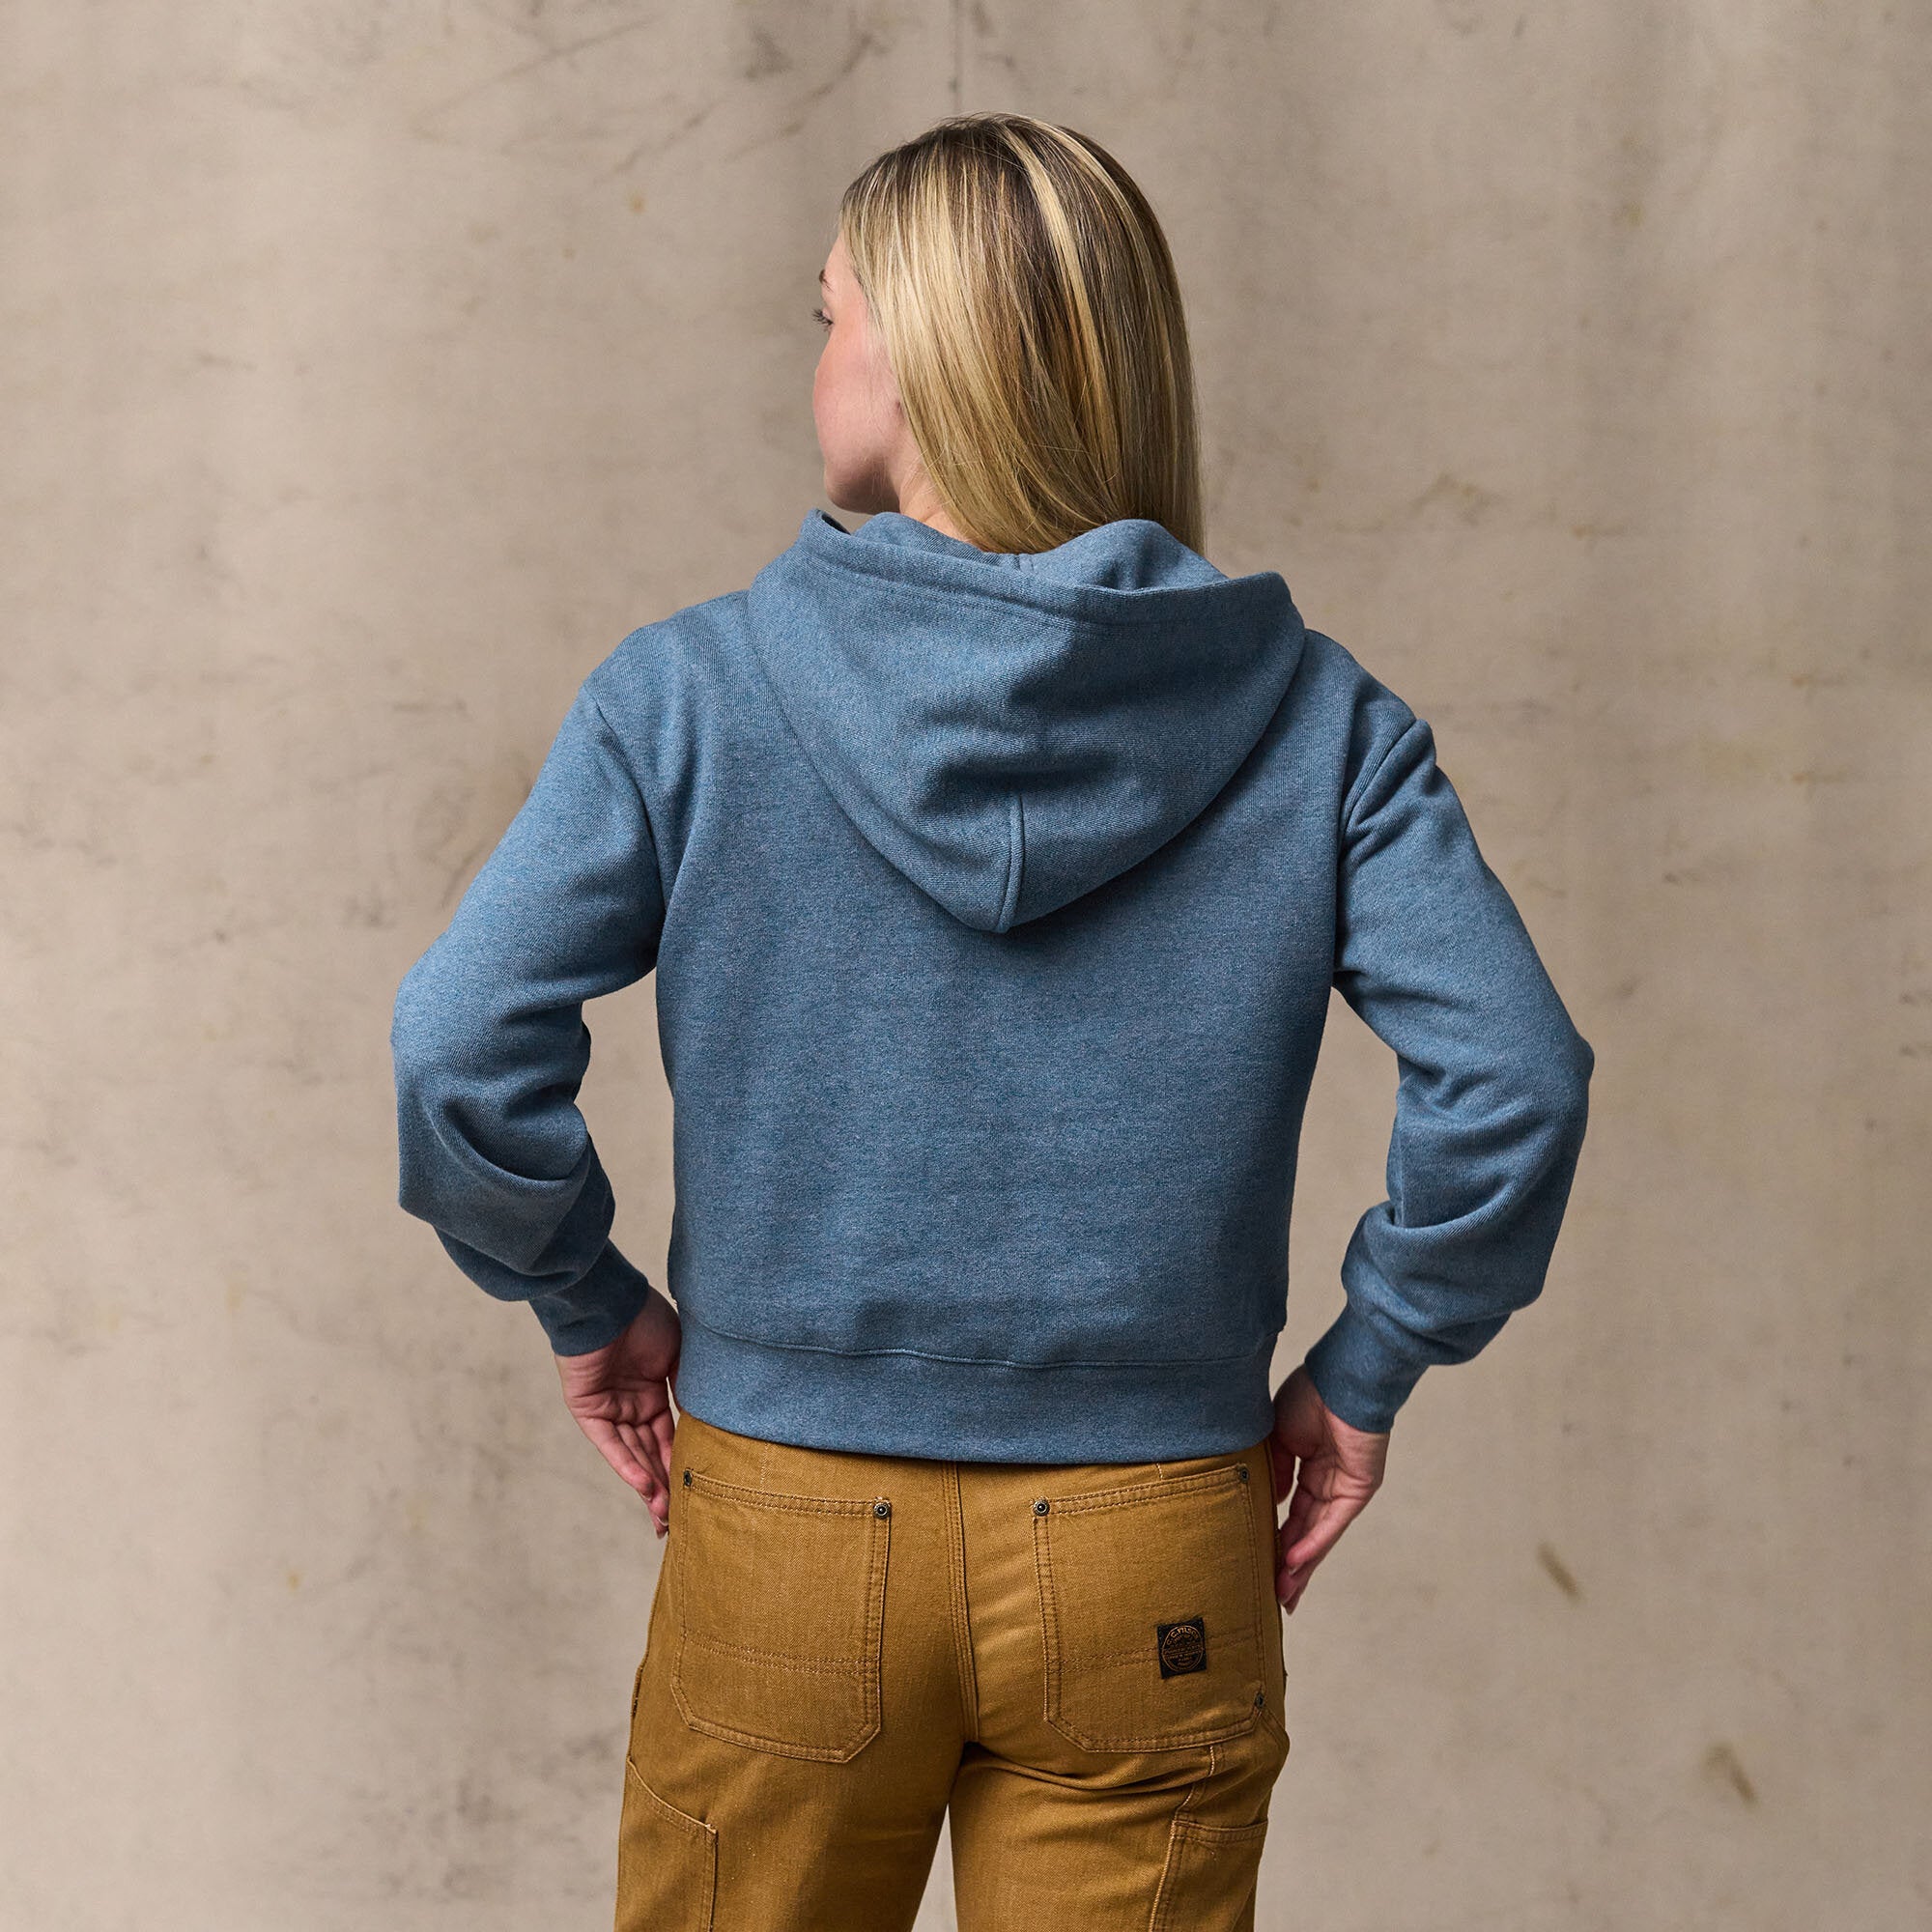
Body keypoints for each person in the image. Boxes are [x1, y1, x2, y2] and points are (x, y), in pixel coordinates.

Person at [389, 111, 1593, 1932]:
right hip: (1152, 1540)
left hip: (786, 1529)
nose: (816, 355)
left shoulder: (688, 698)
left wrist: (586, 1297)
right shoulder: (1321, 724)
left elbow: (456, 1046)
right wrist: (1370, 1368)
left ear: (921, 359)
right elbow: (1516, 1078)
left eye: (829, 315)